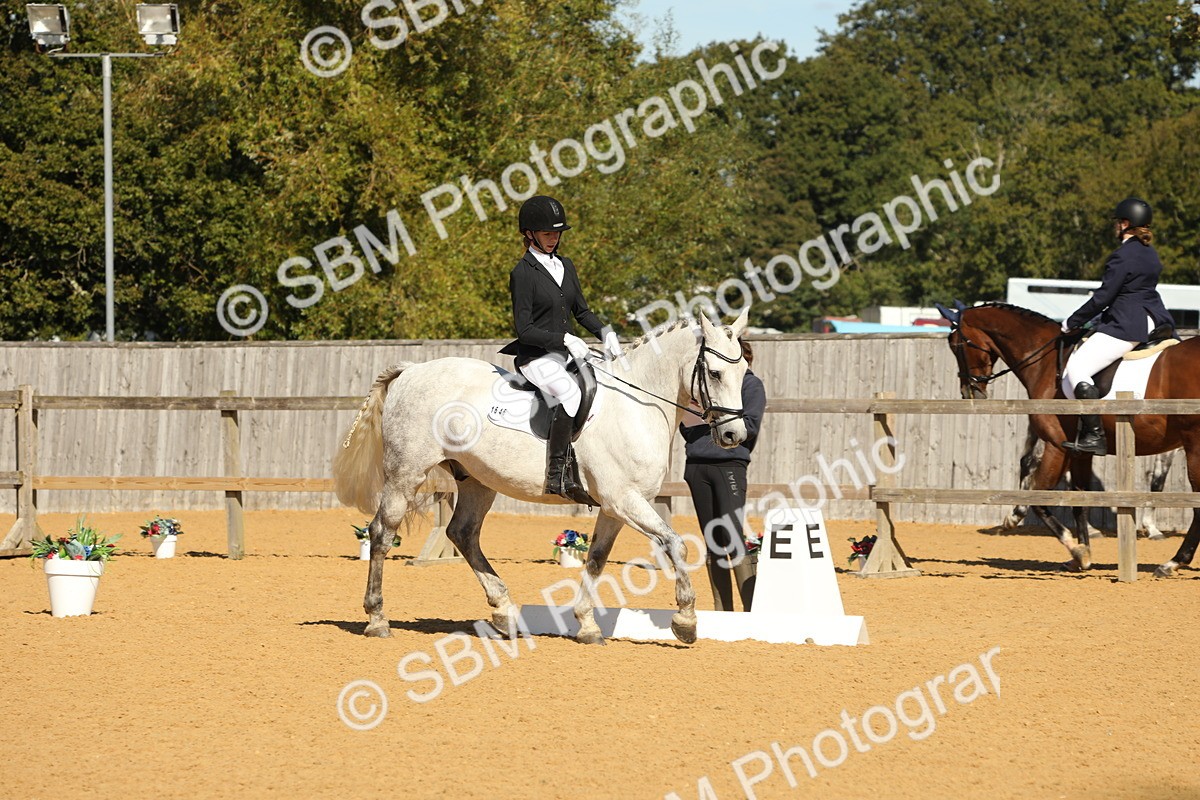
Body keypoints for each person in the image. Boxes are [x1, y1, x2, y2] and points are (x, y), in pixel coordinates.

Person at [499, 196, 622, 504]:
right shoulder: (523, 272)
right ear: (529, 234)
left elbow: (581, 310)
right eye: (546, 233)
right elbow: (524, 329)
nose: (553, 238)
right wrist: (564, 340)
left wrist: (604, 332)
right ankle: (557, 475)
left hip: (565, 355)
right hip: (535, 357)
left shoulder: (565, 265)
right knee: (569, 393)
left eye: (557, 233)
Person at [1060, 197, 1176, 456]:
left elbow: (1104, 297)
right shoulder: (1150, 253)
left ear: (1125, 224)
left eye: (1117, 223)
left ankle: (1094, 436)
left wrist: (1072, 322)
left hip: (1128, 323)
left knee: (1076, 368)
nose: (1115, 227)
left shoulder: (1122, 255)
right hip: (1155, 319)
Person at [679, 337, 766, 611]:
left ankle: (750, 607)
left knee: (732, 535)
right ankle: (722, 609)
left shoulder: (751, 386)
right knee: (712, 538)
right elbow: (686, 427)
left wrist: (711, 423)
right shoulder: (705, 389)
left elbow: (749, 426)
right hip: (696, 466)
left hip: (729, 464)